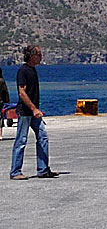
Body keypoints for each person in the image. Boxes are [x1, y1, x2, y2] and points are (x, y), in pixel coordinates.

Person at [10, 45, 57, 180]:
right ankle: (15, 171)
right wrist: (33, 108)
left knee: (43, 137)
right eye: (39, 54)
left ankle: (43, 169)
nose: (41, 57)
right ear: (32, 56)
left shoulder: (33, 70)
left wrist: (36, 109)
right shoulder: (23, 71)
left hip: (34, 112)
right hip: (25, 112)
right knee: (21, 140)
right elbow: (22, 93)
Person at [0, 68, 8, 141]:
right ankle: (0, 135)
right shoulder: (2, 81)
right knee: (0, 118)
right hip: (0, 101)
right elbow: (5, 92)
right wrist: (6, 101)